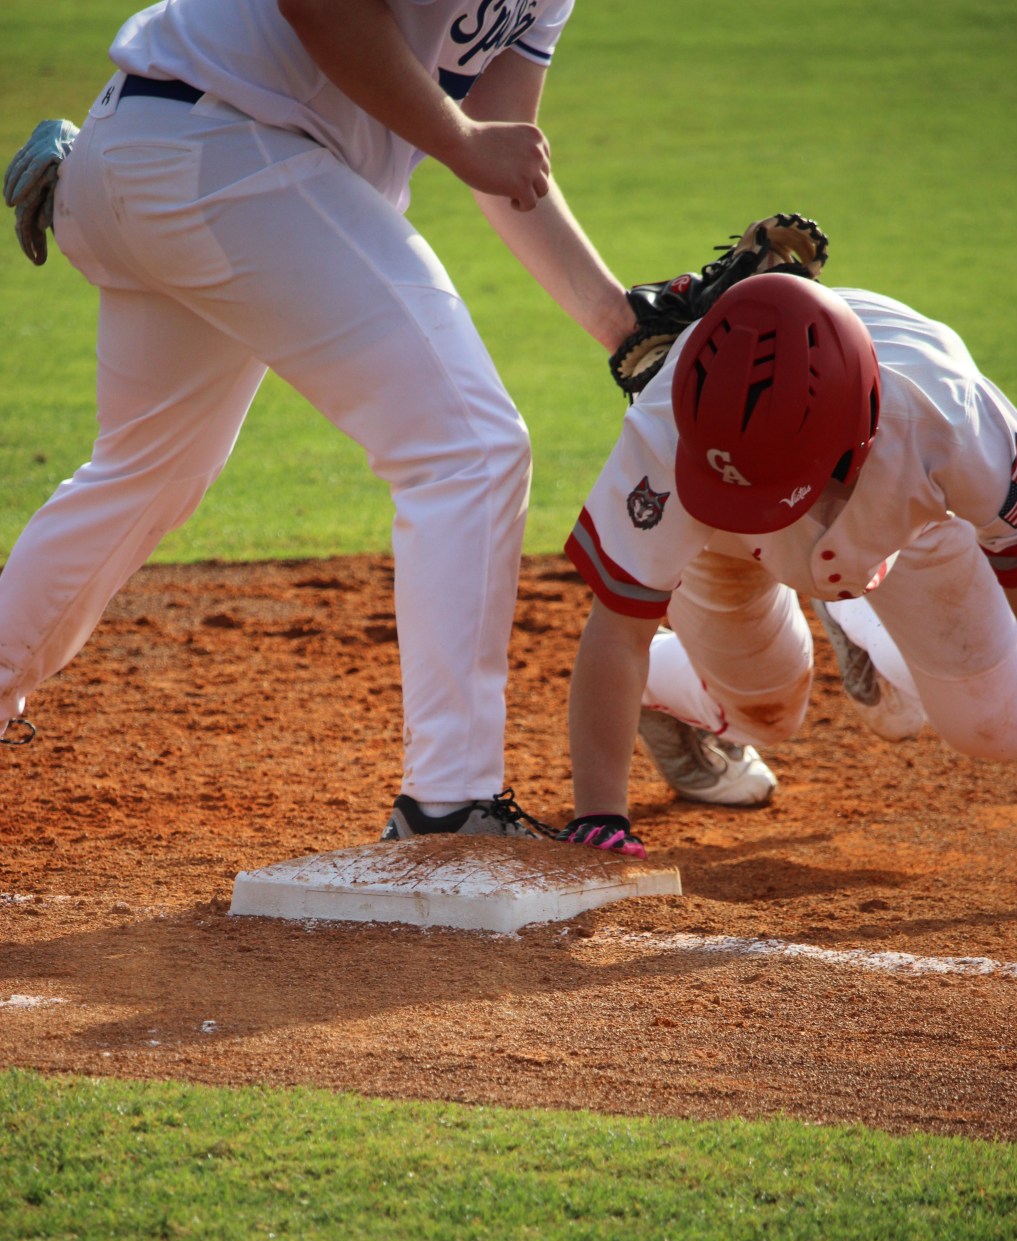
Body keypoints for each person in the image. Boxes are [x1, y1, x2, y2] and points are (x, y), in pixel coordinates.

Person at [0, 0, 638, 842]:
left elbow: (504, 153)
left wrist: (622, 326)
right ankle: (449, 807)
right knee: (470, 448)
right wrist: (459, 140)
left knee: (145, 474)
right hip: (236, 149)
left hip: (153, 148)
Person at [556, 271, 1017, 857]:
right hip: (720, 539)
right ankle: (655, 691)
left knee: (999, 726)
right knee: (765, 716)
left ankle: (858, 621)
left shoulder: (953, 417)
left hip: (912, 525)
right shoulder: (666, 424)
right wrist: (599, 817)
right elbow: (620, 625)